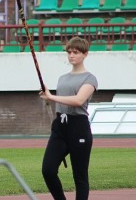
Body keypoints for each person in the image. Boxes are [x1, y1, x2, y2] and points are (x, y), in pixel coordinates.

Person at [39, 36, 98, 200]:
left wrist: (52, 97)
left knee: (80, 176)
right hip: (60, 127)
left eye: (76, 52)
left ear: (85, 54)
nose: (71, 55)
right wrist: (48, 96)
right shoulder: (63, 78)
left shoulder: (89, 79)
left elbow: (78, 101)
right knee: (48, 170)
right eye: (69, 52)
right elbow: (60, 101)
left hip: (78, 127)